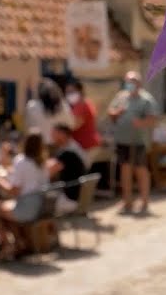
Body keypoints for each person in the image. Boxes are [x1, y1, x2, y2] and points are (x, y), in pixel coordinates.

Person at [0, 132, 52, 259]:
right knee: (6, 208)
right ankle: (19, 243)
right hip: (40, 206)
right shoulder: (42, 162)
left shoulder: (21, 161)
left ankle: (7, 245)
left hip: (26, 209)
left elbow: (13, 191)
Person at [107, 71, 160, 215]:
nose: (130, 84)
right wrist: (116, 113)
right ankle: (127, 201)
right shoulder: (121, 97)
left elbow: (153, 119)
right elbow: (110, 112)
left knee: (141, 170)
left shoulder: (146, 100)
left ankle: (144, 200)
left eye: (133, 81)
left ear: (139, 83)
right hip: (122, 140)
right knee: (125, 170)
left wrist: (141, 122)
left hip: (138, 141)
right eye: (128, 81)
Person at [47, 124, 88, 213]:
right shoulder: (72, 147)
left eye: (54, 134)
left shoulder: (68, 151)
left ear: (62, 134)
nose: (51, 137)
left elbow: (49, 172)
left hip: (70, 199)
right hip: (78, 195)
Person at [64, 81, 101, 156]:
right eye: (67, 92)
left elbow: (74, 126)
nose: (69, 94)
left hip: (86, 146)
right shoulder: (81, 104)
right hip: (84, 146)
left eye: (72, 91)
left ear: (80, 91)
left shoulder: (82, 106)